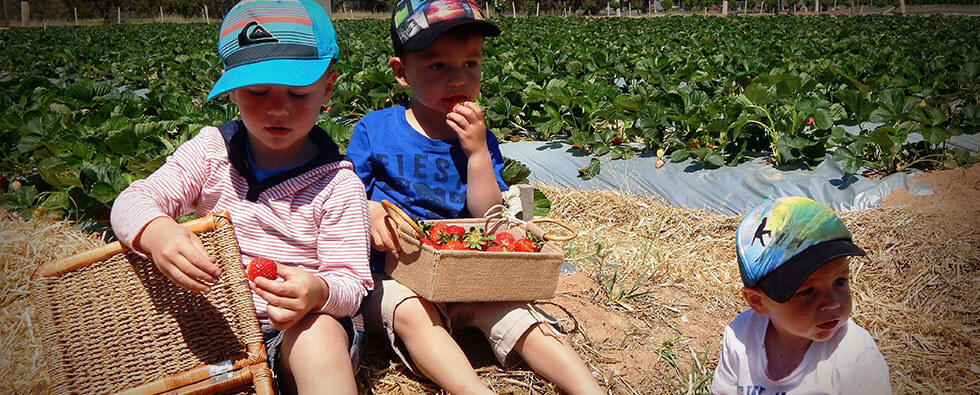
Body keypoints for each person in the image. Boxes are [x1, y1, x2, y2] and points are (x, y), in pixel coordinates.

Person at [109, 0, 372, 393]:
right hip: (219, 329)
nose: (278, 108)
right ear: (231, 89)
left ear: (327, 86)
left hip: (295, 331)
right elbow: (131, 202)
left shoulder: (338, 185)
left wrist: (317, 292)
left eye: (298, 93)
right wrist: (159, 232)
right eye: (258, 91)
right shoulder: (210, 152)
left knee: (318, 337)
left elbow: (352, 285)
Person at [344, 0, 605, 394]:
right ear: (401, 73)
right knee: (414, 314)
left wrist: (478, 153)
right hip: (393, 272)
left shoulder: (480, 138)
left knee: (521, 315)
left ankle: (590, 389)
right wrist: (369, 210)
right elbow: (345, 195)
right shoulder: (374, 130)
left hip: (465, 272)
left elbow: (488, 213)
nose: (458, 79)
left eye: (471, 64)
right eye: (438, 66)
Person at [711, 196, 891, 394]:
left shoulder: (856, 356)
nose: (831, 303)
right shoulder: (740, 337)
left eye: (839, 281)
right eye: (806, 291)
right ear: (757, 301)